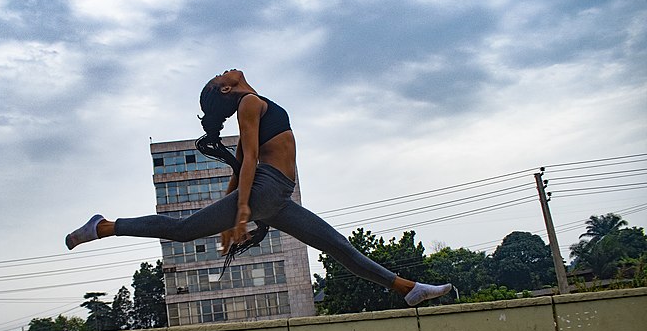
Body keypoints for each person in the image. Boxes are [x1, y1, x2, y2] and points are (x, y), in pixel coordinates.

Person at [66, 69, 452, 306]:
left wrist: (231, 209)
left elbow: (237, 167)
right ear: (225, 90)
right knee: (182, 230)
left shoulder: (255, 103)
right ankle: (104, 226)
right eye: (220, 77)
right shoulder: (250, 103)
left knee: (337, 246)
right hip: (267, 192)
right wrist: (242, 212)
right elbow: (250, 160)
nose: (226, 71)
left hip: (276, 197)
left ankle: (406, 287)